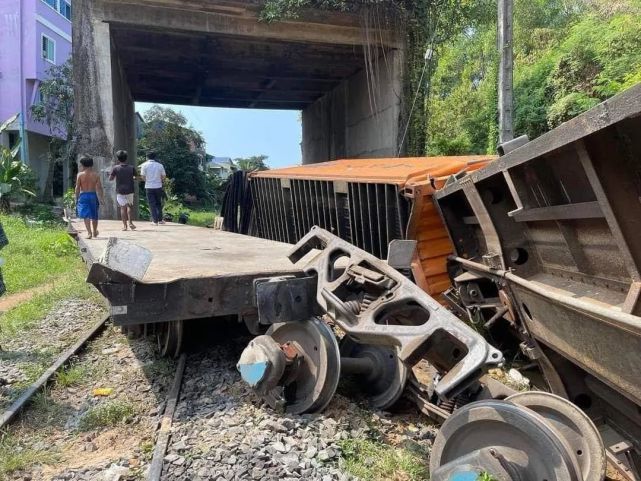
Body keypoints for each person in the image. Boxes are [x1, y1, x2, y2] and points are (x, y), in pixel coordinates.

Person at [75, 155, 103, 239]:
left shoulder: (80, 175)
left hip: (83, 195)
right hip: (93, 195)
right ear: (92, 164)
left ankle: (89, 233)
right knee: (94, 214)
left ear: (83, 165)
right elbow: (99, 188)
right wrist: (101, 198)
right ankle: (95, 231)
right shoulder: (96, 175)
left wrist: (76, 198)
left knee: (86, 215)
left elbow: (77, 187)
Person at [109, 150, 137, 231]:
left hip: (120, 190)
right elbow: (136, 177)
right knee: (129, 206)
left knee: (122, 208)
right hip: (130, 190)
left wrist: (111, 174)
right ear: (126, 158)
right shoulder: (131, 168)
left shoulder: (115, 168)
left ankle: (124, 226)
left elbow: (110, 179)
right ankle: (130, 222)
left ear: (118, 159)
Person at [139, 151, 166, 226]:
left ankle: (155, 221)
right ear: (155, 157)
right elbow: (163, 176)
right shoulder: (160, 165)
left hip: (149, 186)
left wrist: (147, 181)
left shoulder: (144, 165)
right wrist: (159, 180)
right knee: (158, 203)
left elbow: (143, 176)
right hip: (158, 186)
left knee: (152, 204)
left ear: (147, 157)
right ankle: (160, 220)